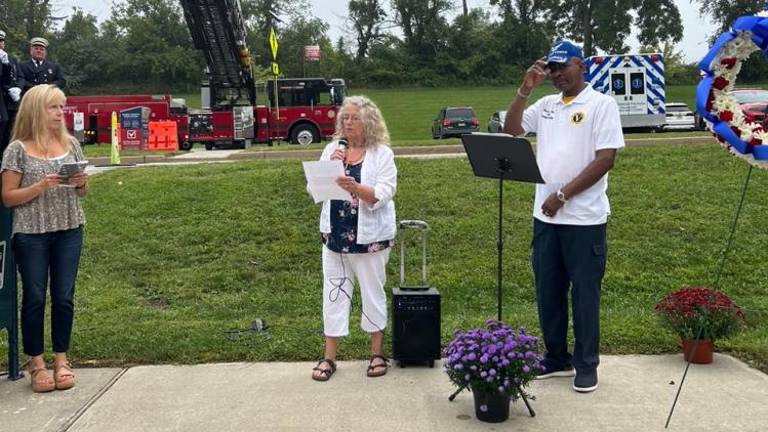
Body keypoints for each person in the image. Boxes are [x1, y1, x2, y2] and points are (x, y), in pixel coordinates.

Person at [503, 40, 624, 393]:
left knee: (584, 294)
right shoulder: (546, 105)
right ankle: (557, 357)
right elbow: (511, 131)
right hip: (546, 220)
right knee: (548, 290)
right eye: (551, 70)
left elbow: (605, 159)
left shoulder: (601, 105)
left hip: (584, 220)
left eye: (562, 68)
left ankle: (586, 364)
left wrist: (562, 195)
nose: (557, 76)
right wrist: (525, 90)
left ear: (580, 65)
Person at [1, 84, 88, 393]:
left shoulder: (72, 144)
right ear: (36, 110)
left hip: (69, 227)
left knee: (64, 296)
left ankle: (61, 360)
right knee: (35, 297)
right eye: (53, 107)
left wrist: (80, 183)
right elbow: (8, 197)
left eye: (61, 106)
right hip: (31, 233)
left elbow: (82, 192)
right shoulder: (17, 149)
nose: (59, 112)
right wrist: (40, 186)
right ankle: (37, 364)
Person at [309, 95, 397, 382]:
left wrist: (356, 187)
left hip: (369, 238)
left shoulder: (381, 153)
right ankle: (329, 357)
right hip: (334, 235)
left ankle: (376, 353)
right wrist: (327, 173)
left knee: (372, 292)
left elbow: (385, 192)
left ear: (368, 121)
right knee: (333, 292)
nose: (347, 123)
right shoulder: (332, 149)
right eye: (344, 118)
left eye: (353, 118)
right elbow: (315, 190)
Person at [0, 29, 22, 158]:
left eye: (1, 41)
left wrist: (6, 65)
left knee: (6, 129)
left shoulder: (7, 59)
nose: (0, 44)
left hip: (5, 103)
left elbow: (6, 79)